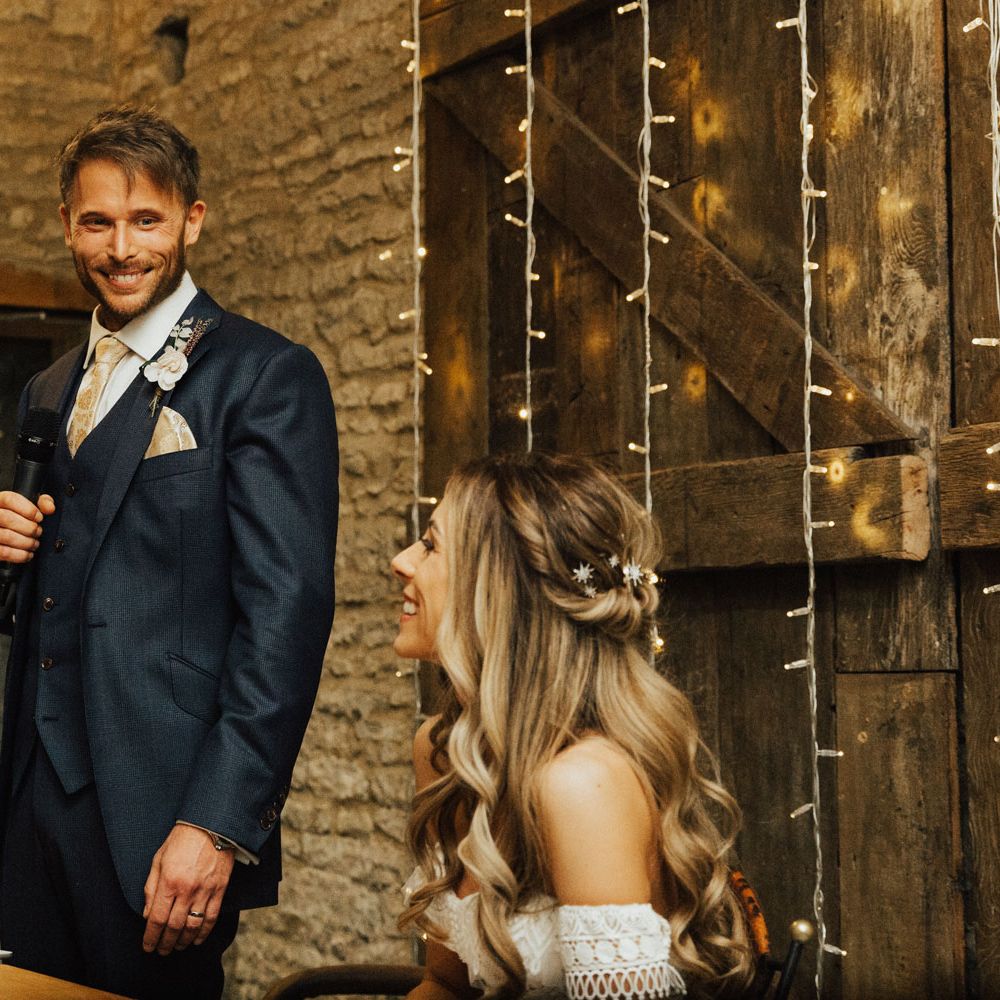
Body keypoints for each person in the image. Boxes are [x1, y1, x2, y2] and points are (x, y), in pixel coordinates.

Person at [0, 106, 338, 999]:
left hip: (161, 814)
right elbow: (50, 591)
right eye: (97, 222)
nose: (121, 248)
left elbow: (286, 619)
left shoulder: (265, 376)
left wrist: (217, 824)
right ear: (67, 225)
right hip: (29, 804)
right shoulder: (46, 388)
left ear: (192, 219)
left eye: (145, 220)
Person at [392, 453, 758, 999]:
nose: (402, 561)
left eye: (430, 544)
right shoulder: (442, 752)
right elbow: (445, 983)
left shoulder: (582, 785)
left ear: (499, 590)